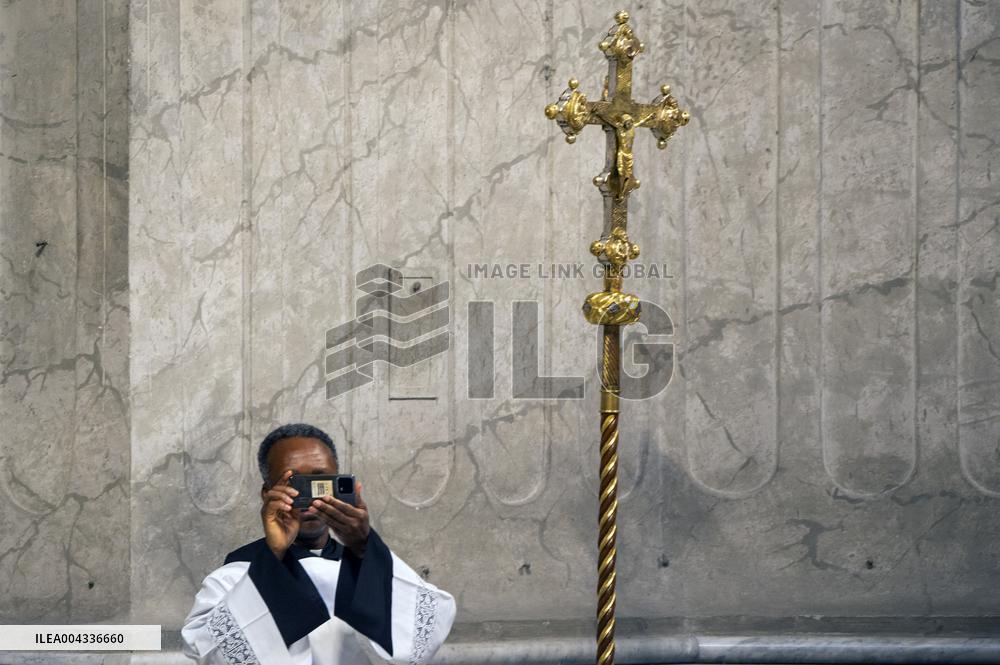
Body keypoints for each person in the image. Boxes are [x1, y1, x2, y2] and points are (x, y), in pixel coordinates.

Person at [181, 423, 456, 664]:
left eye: (321, 479)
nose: (312, 498)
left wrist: (364, 545)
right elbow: (209, 653)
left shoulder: (370, 569)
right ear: (267, 494)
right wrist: (274, 552)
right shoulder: (234, 577)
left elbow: (417, 647)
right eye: (295, 483)